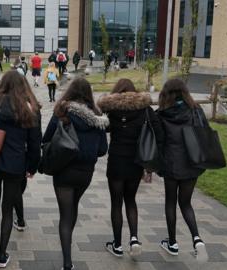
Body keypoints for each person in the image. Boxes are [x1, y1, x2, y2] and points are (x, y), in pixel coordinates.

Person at [42, 78, 108, 270]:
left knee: (65, 214)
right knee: (73, 207)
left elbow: (46, 139)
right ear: (89, 94)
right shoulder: (97, 117)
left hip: (63, 170)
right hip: (85, 173)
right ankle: (68, 244)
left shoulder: (62, 112)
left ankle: (67, 263)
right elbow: (103, 149)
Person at [97, 79, 164, 258]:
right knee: (131, 201)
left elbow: (103, 128)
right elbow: (158, 133)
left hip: (117, 160)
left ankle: (117, 245)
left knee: (116, 203)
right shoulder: (145, 110)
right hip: (136, 162)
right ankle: (134, 238)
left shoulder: (111, 110)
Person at [0, 71, 42, 268]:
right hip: (15, 164)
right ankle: (1, 254)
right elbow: (35, 143)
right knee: (8, 209)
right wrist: (32, 167)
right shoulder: (30, 109)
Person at [156, 78, 209, 262]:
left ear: (166, 93)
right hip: (192, 163)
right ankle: (197, 240)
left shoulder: (162, 114)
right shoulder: (196, 110)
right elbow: (205, 134)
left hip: (171, 164)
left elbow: (159, 142)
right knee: (186, 203)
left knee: (170, 202)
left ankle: (172, 242)